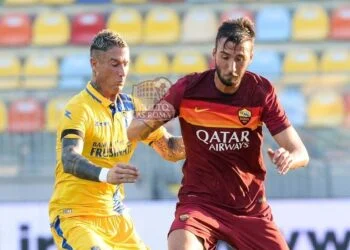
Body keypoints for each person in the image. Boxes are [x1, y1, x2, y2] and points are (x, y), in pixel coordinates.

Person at [127, 17, 309, 250]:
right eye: (225, 57)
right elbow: (139, 128)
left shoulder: (261, 92)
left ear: (250, 58)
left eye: (240, 59)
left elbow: (300, 152)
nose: (231, 68)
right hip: (200, 205)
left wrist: (289, 158)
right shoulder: (187, 90)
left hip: (250, 210)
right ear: (214, 53)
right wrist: (130, 121)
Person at [48, 30, 185, 250]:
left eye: (125, 64)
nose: (122, 72)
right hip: (76, 216)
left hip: (116, 219)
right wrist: (106, 174)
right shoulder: (79, 108)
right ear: (95, 64)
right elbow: (69, 157)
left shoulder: (132, 107)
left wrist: (207, 139)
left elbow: (169, 149)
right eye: (114, 64)